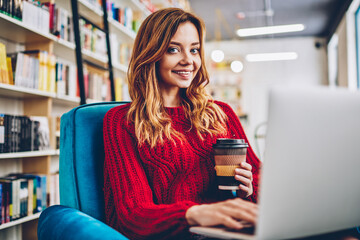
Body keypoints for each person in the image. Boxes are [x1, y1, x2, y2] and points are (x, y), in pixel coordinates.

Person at [103, 8, 261, 240]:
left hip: (232, 232)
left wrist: (248, 190)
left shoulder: (221, 114)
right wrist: (195, 213)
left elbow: (261, 182)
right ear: (151, 54)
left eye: (195, 50)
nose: (189, 60)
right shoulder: (123, 122)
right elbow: (132, 215)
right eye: (174, 49)